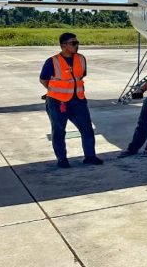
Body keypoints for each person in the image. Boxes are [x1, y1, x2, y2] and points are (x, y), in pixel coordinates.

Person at [39, 32, 102, 168]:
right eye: (73, 43)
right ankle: (62, 159)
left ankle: (90, 156)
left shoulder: (81, 59)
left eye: (77, 43)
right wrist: (55, 91)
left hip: (78, 100)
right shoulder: (52, 61)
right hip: (57, 102)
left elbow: (80, 76)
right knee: (59, 131)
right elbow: (43, 79)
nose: (76, 45)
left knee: (87, 129)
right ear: (63, 45)